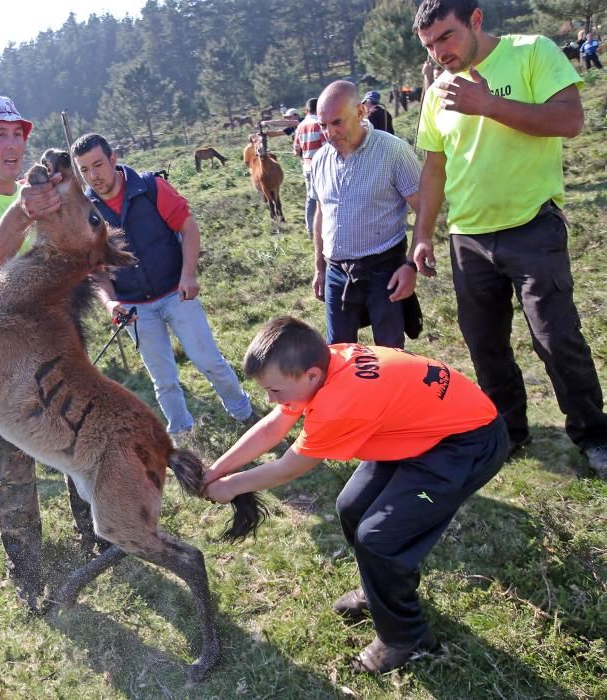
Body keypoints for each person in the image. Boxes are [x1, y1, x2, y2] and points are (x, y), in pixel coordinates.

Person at [203, 316, 508, 674]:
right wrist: (217, 471)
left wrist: (232, 487)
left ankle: (403, 637)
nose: (271, 399)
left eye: (275, 391)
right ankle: (381, 591)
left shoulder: (338, 402)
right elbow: (274, 425)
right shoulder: (324, 362)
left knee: (379, 538)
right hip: (416, 434)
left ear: (311, 376)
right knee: (352, 506)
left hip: (465, 449)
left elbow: (290, 466)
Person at [412, 0, 607, 477]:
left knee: (555, 337)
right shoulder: (437, 90)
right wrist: (422, 236)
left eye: (447, 37)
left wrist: (489, 105)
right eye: (430, 45)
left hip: (531, 226)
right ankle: (509, 432)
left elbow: (570, 121)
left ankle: (594, 434)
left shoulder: (531, 51)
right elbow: (434, 168)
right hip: (469, 238)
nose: (439, 53)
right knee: (485, 344)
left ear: (476, 20)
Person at [0, 93, 99, 607]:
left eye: (16, 133)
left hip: (55, 348)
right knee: (12, 478)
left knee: (78, 450)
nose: (11, 143)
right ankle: (30, 581)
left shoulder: (45, 191)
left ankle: (96, 543)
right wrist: (21, 214)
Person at [71, 133, 256, 442]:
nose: (94, 176)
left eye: (98, 165)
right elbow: (97, 272)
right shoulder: (85, 215)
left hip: (176, 292)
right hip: (134, 308)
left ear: (113, 159)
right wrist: (109, 303)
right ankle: (183, 435)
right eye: (85, 170)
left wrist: (189, 275)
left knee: (209, 361)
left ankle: (243, 412)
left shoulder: (151, 188)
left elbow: (188, 227)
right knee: (163, 378)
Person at [309, 81, 421, 349]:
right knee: (338, 353)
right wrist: (320, 268)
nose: (329, 133)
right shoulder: (321, 159)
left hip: (384, 269)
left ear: (360, 112)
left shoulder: (392, 151)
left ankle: (394, 393)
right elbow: (321, 214)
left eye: (337, 122)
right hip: (337, 271)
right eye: (323, 125)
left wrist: (411, 266)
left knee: (390, 351)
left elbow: (424, 209)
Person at [292, 98, 325, 238]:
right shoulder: (320, 124)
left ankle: (310, 228)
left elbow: (296, 149)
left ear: (306, 110)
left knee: (311, 197)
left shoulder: (300, 126)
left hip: (307, 166)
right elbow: (326, 147)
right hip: (321, 166)